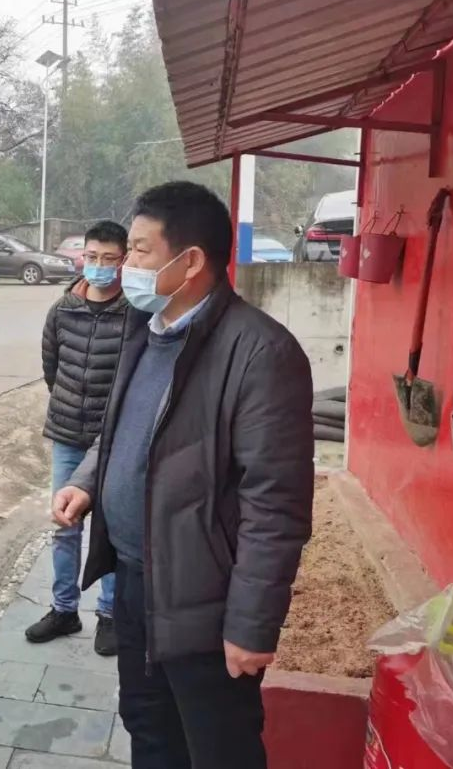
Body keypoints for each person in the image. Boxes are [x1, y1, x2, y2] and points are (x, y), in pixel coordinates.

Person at [53, 182, 314, 769]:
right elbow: (121, 427)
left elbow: (276, 507)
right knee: (148, 728)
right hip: (135, 581)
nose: (125, 264)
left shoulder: (260, 354)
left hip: (204, 599)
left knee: (216, 747)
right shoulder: (146, 329)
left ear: (190, 261)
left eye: (140, 251)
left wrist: (251, 625)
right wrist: (88, 481)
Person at [26, 220, 128, 656]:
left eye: (109, 258)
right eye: (92, 257)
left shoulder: (135, 314)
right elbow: (52, 369)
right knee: (64, 526)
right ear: (81, 257)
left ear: (123, 261)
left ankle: (110, 614)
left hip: (115, 441)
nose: (99, 265)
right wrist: (72, 407)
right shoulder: (62, 310)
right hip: (68, 434)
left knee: (112, 527)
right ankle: (64, 609)